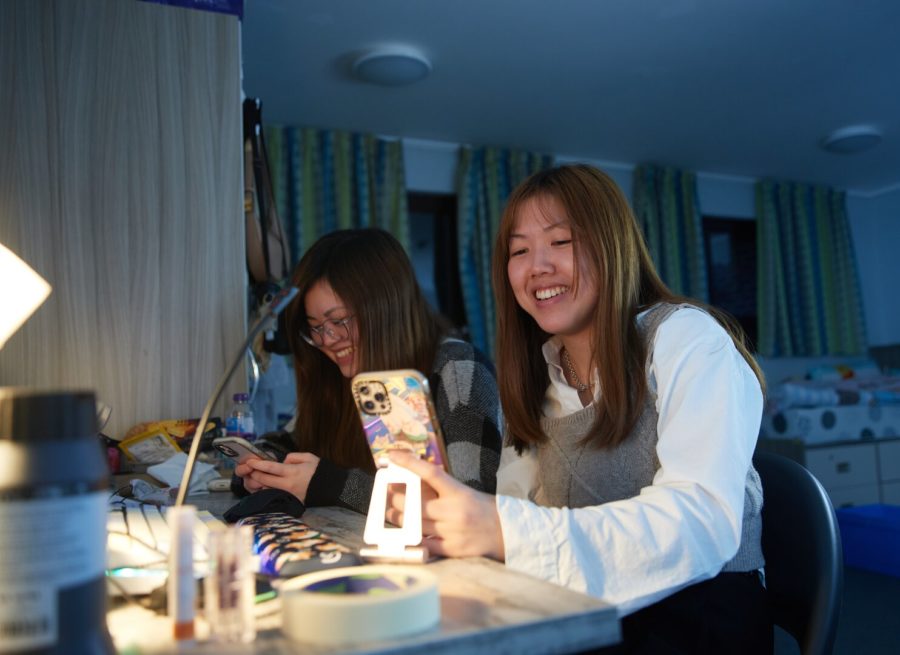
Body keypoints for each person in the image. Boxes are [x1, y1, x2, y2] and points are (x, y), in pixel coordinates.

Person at [386, 164, 772, 653]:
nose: (536, 267)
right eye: (519, 250)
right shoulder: (539, 375)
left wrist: (503, 528)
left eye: (561, 242)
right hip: (585, 609)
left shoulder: (686, 338)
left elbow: (703, 521)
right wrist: (453, 527)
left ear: (612, 245)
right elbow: (519, 504)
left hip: (703, 613)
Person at [232, 228, 502, 514]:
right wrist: (262, 467)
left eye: (337, 320)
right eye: (315, 327)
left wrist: (328, 484)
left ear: (386, 308)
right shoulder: (339, 374)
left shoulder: (457, 369)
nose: (327, 340)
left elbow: (468, 508)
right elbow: (289, 440)